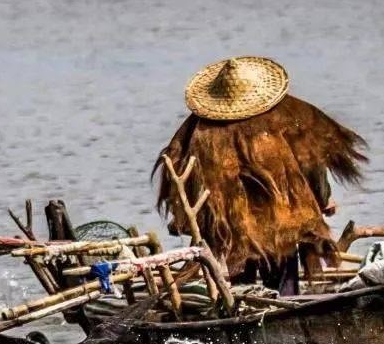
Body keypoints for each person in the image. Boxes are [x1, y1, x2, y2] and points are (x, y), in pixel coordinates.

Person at [154, 56, 367, 293]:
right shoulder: (287, 115)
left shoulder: (198, 129)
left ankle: (242, 306)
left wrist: (193, 218)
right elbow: (311, 162)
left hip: (231, 224)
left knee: (242, 282)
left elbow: (180, 172)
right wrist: (322, 198)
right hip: (279, 220)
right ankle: (282, 308)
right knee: (283, 281)